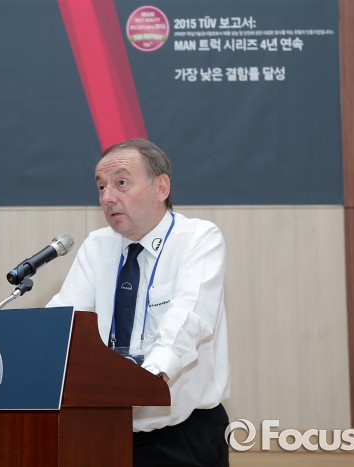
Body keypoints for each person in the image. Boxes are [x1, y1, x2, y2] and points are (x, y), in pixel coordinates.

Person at [47, 138, 230, 466]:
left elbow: (189, 318)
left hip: (182, 436)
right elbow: (66, 320)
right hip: (103, 428)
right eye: (101, 186)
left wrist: (146, 381)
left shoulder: (197, 239)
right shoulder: (97, 245)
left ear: (161, 188)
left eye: (121, 183)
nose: (107, 197)